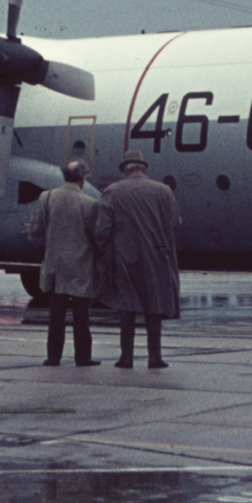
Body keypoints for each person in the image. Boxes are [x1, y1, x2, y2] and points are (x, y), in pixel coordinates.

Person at [96, 150, 181, 369]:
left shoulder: (112, 191)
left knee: (127, 306)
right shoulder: (163, 190)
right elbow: (174, 222)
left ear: (125, 169)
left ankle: (126, 357)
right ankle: (155, 357)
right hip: (157, 255)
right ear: (143, 168)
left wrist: (103, 251)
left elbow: (103, 229)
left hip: (125, 256)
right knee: (155, 305)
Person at [25, 160, 101, 366]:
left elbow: (35, 232)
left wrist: (32, 231)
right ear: (82, 178)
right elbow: (97, 237)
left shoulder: (46, 197)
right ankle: (83, 356)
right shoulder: (90, 203)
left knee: (56, 316)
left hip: (55, 268)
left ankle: (53, 356)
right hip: (81, 268)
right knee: (81, 317)